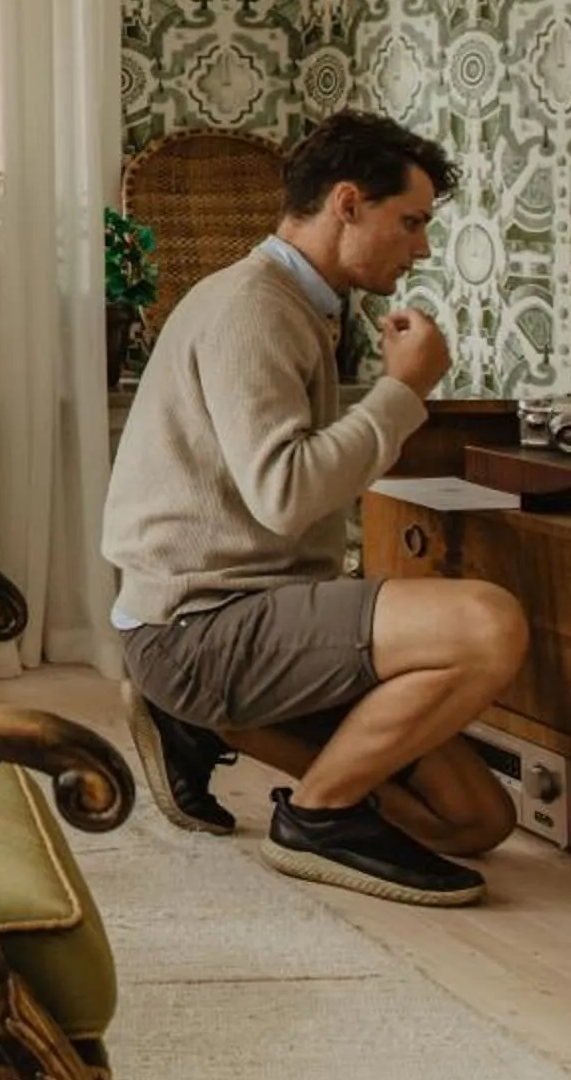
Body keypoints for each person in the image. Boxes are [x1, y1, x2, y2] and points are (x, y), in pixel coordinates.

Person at [102, 110, 529, 906]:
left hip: (250, 617)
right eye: (411, 222)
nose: (422, 248)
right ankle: (316, 817)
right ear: (347, 204)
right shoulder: (252, 308)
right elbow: (286, 494)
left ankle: (199, 725)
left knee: (475, 821)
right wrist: (405, 391)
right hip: (200, 627)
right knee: (486, 624)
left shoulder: (298, 305)